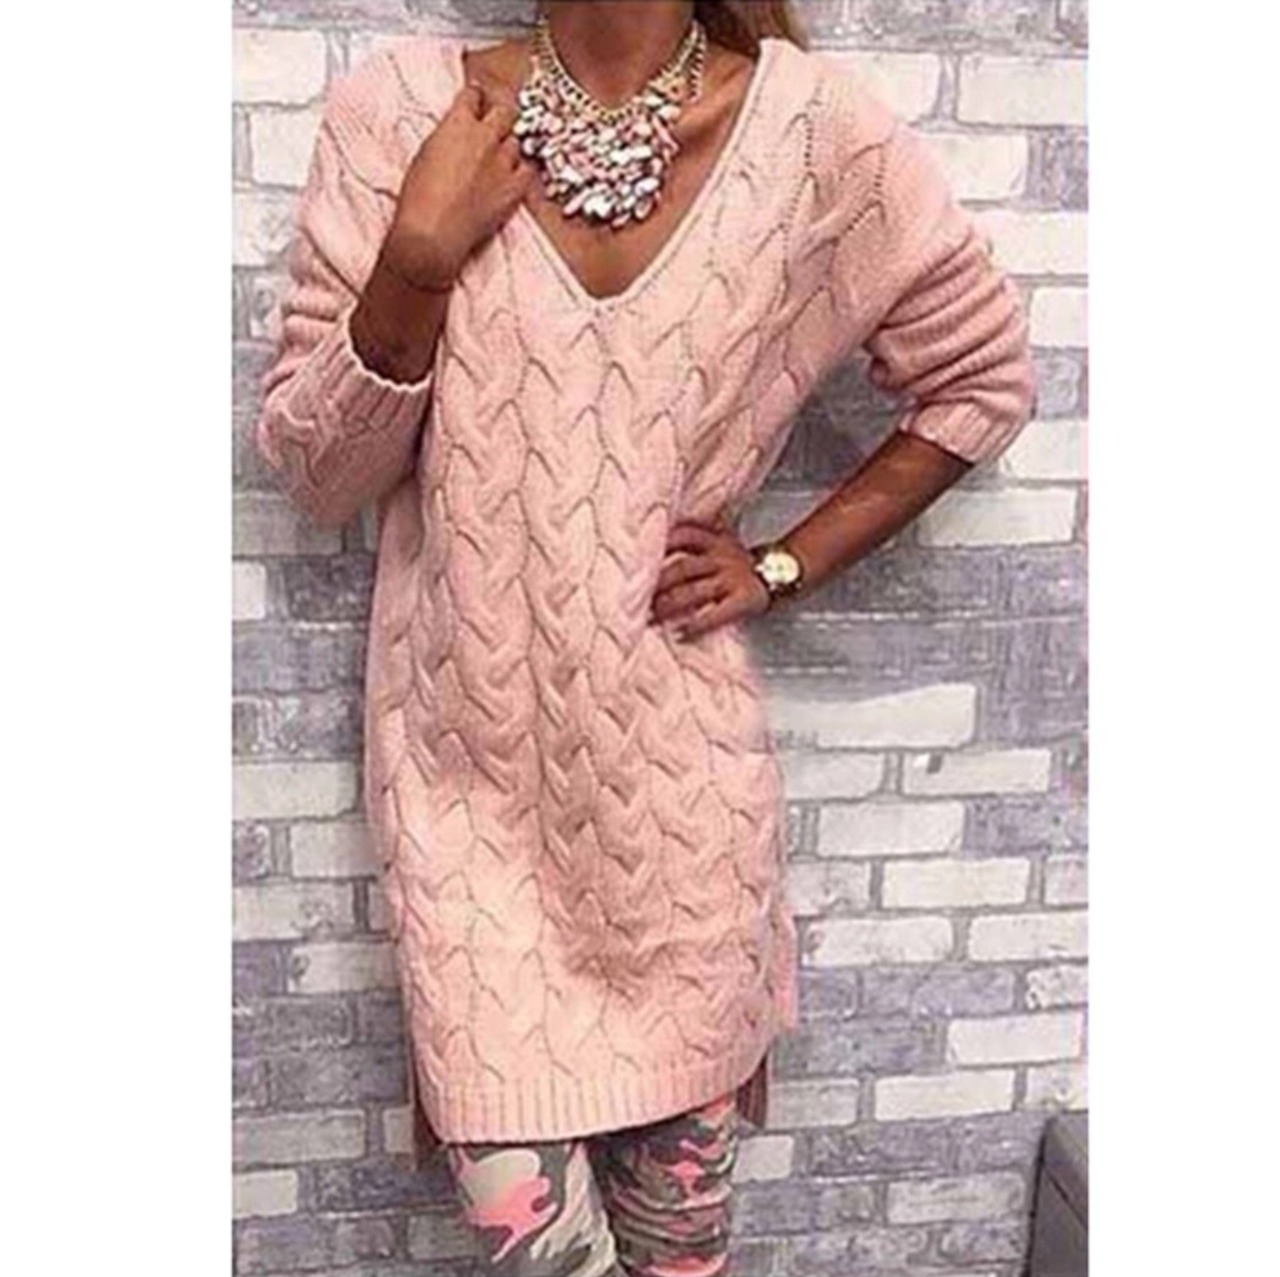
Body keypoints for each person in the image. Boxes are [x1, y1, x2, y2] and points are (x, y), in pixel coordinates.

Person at [252, 2, 1038, 1272]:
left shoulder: (810, 135)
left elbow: (981, 378)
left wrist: (778, 563)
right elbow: (316, 471)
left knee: (682, 1260)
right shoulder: (401, 117)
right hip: (468, 835)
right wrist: (416, 260)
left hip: (682, 837)